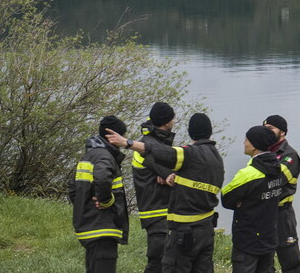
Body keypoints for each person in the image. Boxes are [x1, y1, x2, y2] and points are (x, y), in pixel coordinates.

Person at [107, 112, 224, 273]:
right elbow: (194, 177)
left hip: (184, 231)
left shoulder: (189, 153)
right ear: (209, 132)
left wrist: (126, 142)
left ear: (191, 132)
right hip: (206, 229)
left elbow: (160, 152)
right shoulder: (215, 157)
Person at [222, 126, 286, 273]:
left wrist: (241, 202)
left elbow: (226, 198)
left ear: (254, 146)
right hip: (269, 237)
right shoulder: (278, 169)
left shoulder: (248, 174)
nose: (243, 143)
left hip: (248, 240)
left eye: (246, 140)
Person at [71, 115, 130, 273]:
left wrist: (85, 207)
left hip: (89, 226)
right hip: (103, 228)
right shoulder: (105, 156)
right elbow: (103, 178)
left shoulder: (88, 155)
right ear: (112, 135)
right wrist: (106, 201)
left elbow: (72, 189)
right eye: (122, 135)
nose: (124, 139)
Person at [132, 102, 177, 273]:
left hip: (160, 210)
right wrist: (168, 175)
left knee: (166, 261)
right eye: (172, 118)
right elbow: (173, 177)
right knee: (157, 262)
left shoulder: (153, 142)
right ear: (167, 122)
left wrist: (167, 174)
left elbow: (170, 173)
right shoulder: (148, 146)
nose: (174, 121)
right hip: (156, 211)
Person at [263, 114, 300, 273]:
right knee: (264, 259)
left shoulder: (290, 155)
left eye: (271, 128)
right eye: (265, 129)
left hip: (282, 213)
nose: (267, 132)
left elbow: (276, 180)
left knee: (290, 259)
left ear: (283, 132)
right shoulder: (262, 153)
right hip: (264, 212)